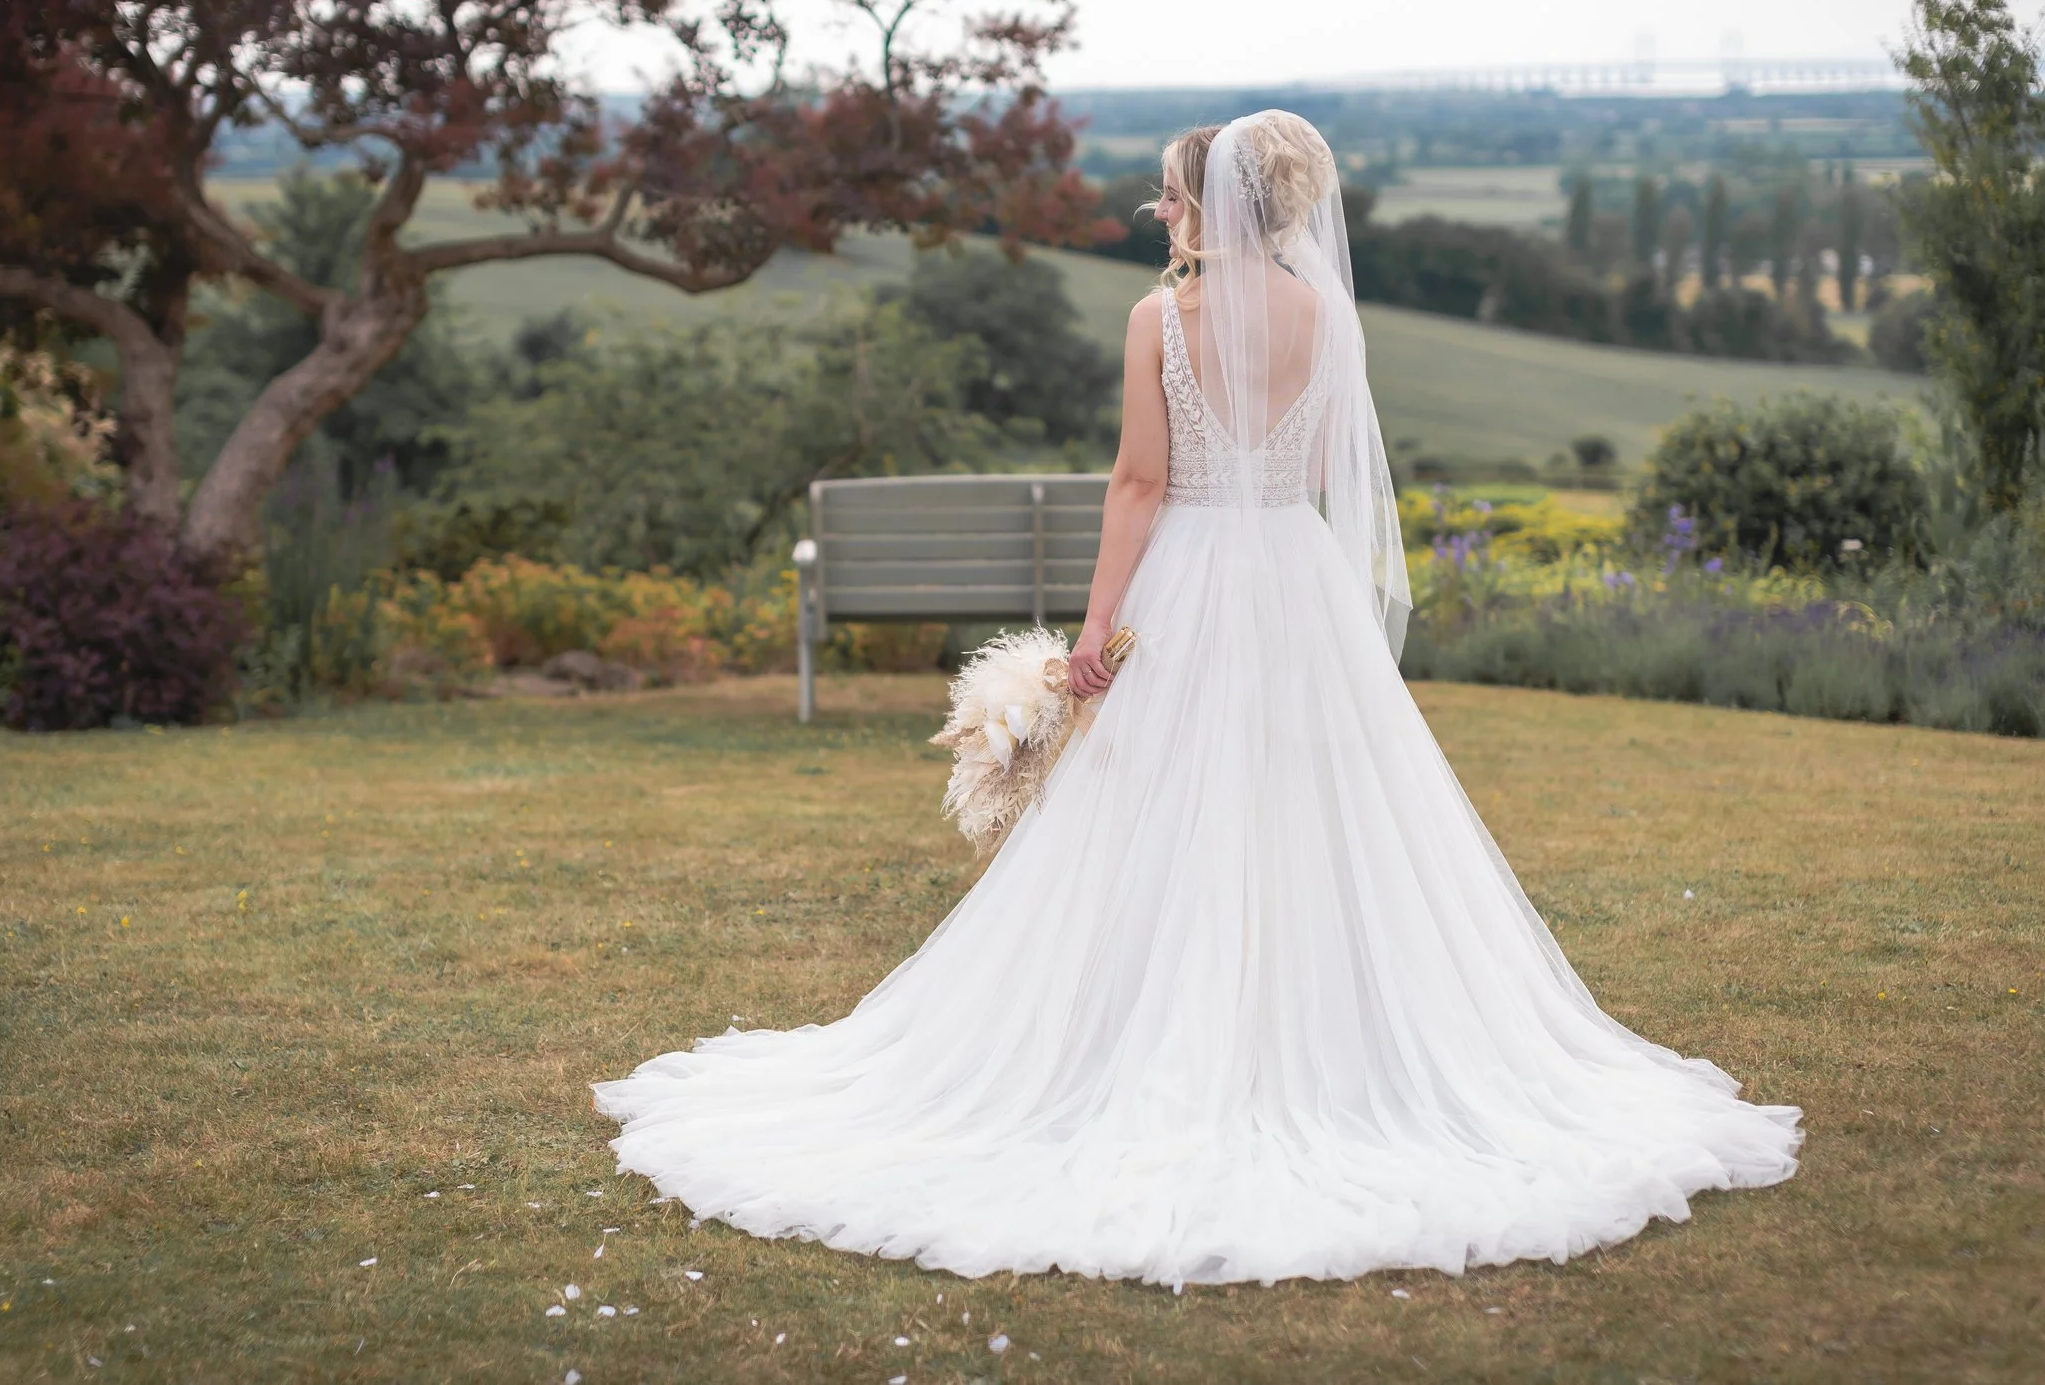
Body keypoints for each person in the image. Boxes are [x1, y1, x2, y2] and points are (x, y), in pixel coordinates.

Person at [594, 113, 1801, 1288]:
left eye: (1171, 193)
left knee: (1153, 809)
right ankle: (1323, 1044)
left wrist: (1091, 637)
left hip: (1188, 579)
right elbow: (1333, 474)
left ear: (1216, 203)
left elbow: (1136, 482)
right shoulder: (1327, 317)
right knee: (1312, 809)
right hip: (1294, 578)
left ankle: (1150, 1049)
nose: (1158, 212)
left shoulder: (1160, 316)